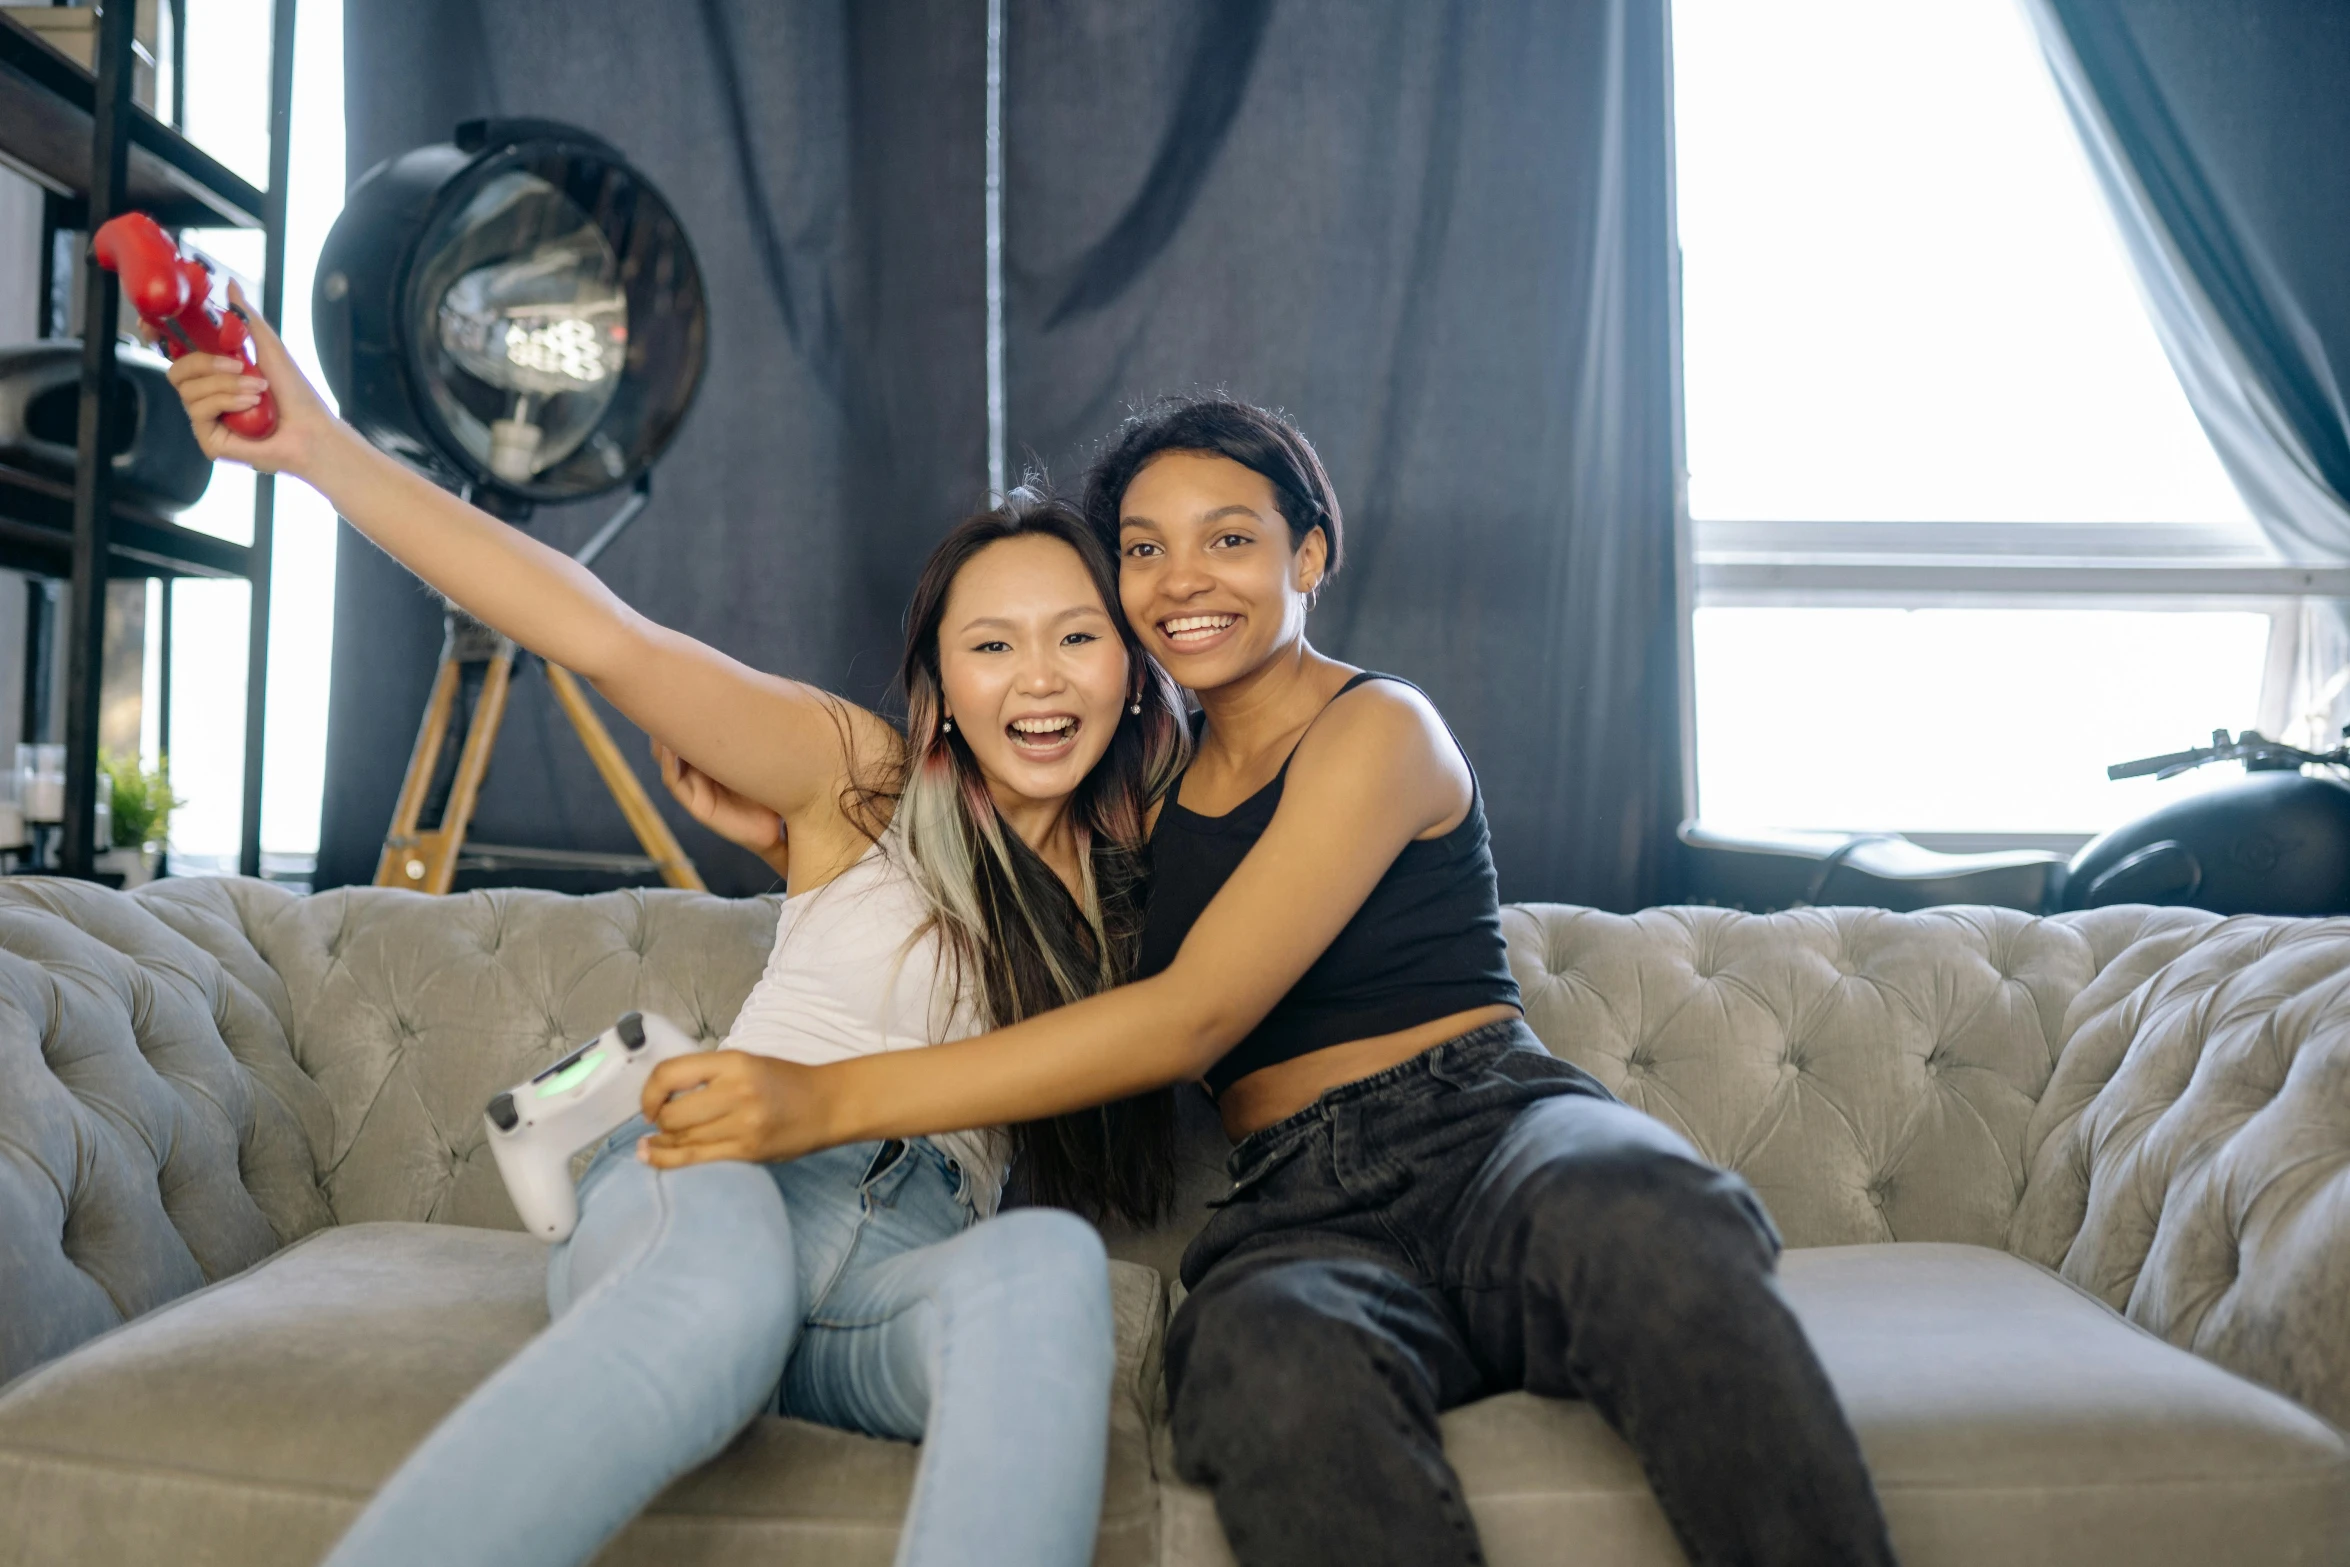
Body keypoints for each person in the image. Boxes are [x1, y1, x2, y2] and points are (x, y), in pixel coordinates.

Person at [631, 396, 1903, 1566]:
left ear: (1307, 557)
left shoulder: (1381, 728)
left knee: (1638, 1208)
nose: (1181, 578)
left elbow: (1196, 1015)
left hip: (1490, 1130)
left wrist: (826, 1098)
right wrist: (835, 853)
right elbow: (1021, 919)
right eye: (1140, 549)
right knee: (1260, 1367)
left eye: (1227, 538)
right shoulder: (1135, 812)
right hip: (1297, 1203)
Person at [164, 291, 1192, 1567]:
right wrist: (319, 447)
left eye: (1076, 637)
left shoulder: (1151, 888)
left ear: (1135, 668)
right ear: (941, 691)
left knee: (1047, 1264)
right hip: (721, 1182)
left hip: (909, 1259)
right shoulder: (867, 786)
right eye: (992, 644)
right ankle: (611, 1109)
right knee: (716, 1298)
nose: (1037, 676)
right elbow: (604, 633)